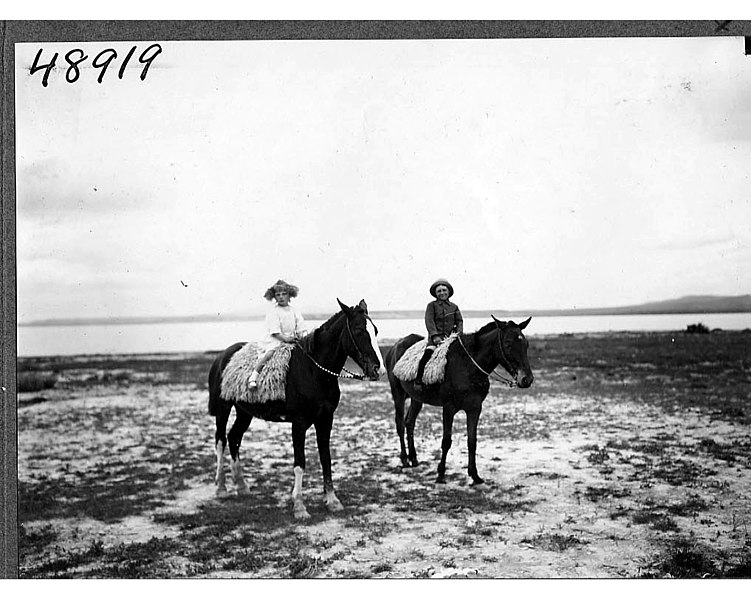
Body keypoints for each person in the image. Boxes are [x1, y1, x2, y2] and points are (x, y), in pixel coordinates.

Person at [248, 279, 307, 389]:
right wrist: (286, 339)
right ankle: (254, 376)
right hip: (277, 339)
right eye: (278, 295)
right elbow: (275, 332)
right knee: (270, 353)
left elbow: (301, 326)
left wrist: (300, 336)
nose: (281, 297)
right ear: (274, 297)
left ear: (290, 296)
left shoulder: (294, 311)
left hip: (292, 339)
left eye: (284, 294)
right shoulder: (274, 312)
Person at [414, 278, 464, 386]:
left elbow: (459, 321)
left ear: (449, 292)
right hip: (435, 339)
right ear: (436, 294)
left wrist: (459, 334)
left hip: (451, 339)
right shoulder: (431, 306)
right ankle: (418, 380)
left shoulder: (454, 307)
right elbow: (429, 321)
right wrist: (435, 336)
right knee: (427, 355)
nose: (442, 293)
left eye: (444, 290)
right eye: (439, 291)